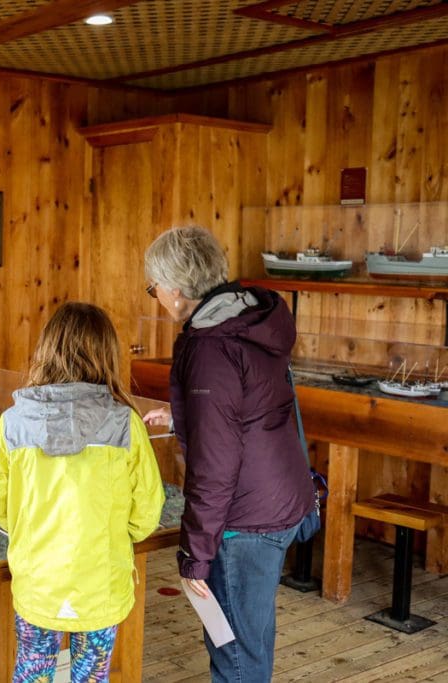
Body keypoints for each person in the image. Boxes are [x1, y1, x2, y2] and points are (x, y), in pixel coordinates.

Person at [141, 225, 314, 682]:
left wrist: (195, 554)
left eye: (153, 286)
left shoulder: (209, 346)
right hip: (279, 498)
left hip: (246, 519)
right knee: (250, 640)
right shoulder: (248, 317)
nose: (155, 294)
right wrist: (184, 413)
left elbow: (215, 464)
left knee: (235, 654)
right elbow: (248, 408)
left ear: (175, 289)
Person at [0, 302, 165, 682]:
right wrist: (115, 538)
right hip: (101, 581)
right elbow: (147, 509)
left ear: (47, 350)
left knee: (33, 669)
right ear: (106, 355)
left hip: (38, 580)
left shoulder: (13, 422)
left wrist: (27, 531)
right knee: (91, 675)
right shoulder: (125, 424)